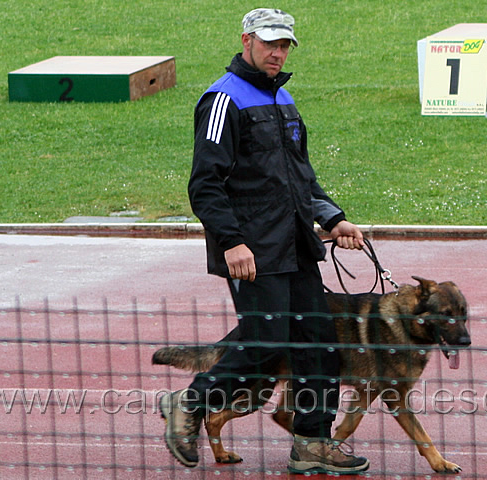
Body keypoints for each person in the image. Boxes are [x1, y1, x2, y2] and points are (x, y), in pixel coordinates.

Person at [160, 8, 369, 475]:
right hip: (251, 253)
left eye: (285, 45)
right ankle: (189, 401)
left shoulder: (284, 99)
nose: (278, 52)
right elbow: (205, 185)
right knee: (267, 340)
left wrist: (333, 219)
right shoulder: (222, 99)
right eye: (270, 43)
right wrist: (232, 242)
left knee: (320, 344)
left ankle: (313, 444)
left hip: (296, 247)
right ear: (246, 40)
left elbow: (301, 179)